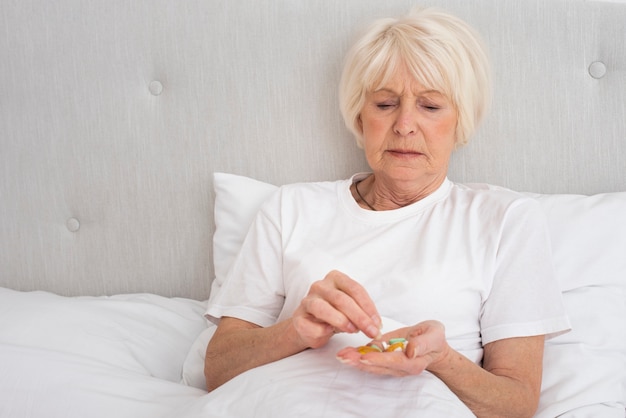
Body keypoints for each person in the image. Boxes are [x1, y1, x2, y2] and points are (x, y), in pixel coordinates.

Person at [204, 6, 570, 417]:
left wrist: (440, 359)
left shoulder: (505, 220)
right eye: (385, 104)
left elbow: (516, 404)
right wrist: (296, 331)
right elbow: (217, 369)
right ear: (360, 117)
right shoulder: (291, 208)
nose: (405, 125)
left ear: (461, 121)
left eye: (430, 106)